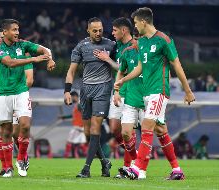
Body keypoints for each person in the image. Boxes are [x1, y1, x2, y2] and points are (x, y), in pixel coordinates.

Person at [115, 7, 195, 180]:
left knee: (147, 127)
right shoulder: (142, 42)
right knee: (160, 130)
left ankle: (138, 169)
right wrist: (124, 79)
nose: (135, 27)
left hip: (159, 90)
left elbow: (177, 64)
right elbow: (140, 68)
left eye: (136, 23)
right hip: (147, 92)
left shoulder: (163, 40)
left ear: (143, 21)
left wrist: (187, 90)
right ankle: (177, 170)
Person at [0, 18, 55, 178]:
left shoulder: (23, 45)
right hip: (2, 95)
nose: (17, 32)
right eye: (14, 30)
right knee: (5, 132)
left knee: (25, 126)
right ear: (4, 32)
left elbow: (45, 49)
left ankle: (21, 158)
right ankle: (7, 168)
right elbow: (9, 63)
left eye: (18, 29)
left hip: (21, 92)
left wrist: (49, 58)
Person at [64, 17, 115, 178]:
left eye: (100, 30)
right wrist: (67, 91)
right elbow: (71, 70)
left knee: (95, 128)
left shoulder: (111, 45)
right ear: (88, 30)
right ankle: (105, 162)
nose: (98, 33)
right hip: (85, 90)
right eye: (95, 30)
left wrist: (108, 59)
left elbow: (123, 67)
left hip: (103, 89)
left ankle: (86, 168)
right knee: (87, 133)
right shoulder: (81, 46)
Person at [94, 17, 143, 179]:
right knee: (115, 129)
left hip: (132, 92)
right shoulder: (117, 46)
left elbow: (127, 70)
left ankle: (128, 167)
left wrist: (107, 59)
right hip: (118, 91)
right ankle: (136, 157)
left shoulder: (135, 46)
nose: (112, 33)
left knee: (129, 131)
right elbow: (120, 70)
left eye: (115, 30)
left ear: (124, 30)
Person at [63, 91, 87, 158]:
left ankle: (65, 157)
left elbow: (84, 113)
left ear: (75, 97)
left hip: (78, 127)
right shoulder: (77, 105)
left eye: (71, 97)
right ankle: (89, 157)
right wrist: (64, 117)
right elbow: (74, 115)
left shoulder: (79, 104)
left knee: (69, 142)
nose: (70, 99)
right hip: (81, 127)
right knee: (82, 144)